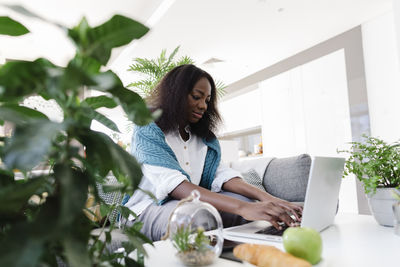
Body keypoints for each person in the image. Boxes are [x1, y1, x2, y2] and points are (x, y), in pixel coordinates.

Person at [124, 64, 302, 241]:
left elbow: (222, 174)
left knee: (248, 204)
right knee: (196, 216)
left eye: (207, 100)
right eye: (196, 97)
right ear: (175, 94)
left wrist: (269, 198)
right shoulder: (147, 129)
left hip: (189, 203)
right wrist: (241, 208)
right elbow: (175, 185)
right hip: (145, 209)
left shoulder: (204, 138)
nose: (203, 106)